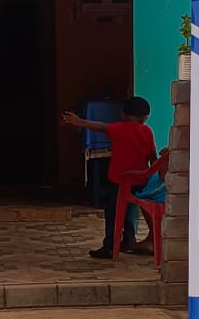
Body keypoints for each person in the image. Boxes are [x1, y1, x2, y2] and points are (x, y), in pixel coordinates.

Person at [62, 96, 161, 259]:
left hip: (121, 183)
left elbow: (101, 127)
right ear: (144, 118)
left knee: (113, 213)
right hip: (141, 182)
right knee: (129, 211)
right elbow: (153, 157)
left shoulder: (120, 129)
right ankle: (128, 239)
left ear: (122, 114)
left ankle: (109, 246)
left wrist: (79, 121)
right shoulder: (147, 131)